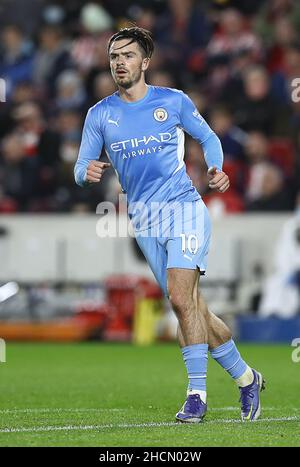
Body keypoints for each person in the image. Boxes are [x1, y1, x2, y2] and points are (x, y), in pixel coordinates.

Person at [74, 27, 265, 423]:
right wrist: (85, 172)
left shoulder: (172, 101)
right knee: (192, 308)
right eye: (113, 56)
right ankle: (247, 378)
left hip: (184, 208)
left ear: (145, 62)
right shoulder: (100, 114)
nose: (119, 62)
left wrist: (216, 167)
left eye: (127, 55)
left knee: (180, 298)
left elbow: (208, 136)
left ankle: (196, 395)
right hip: (143, 221)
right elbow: (80, 166)